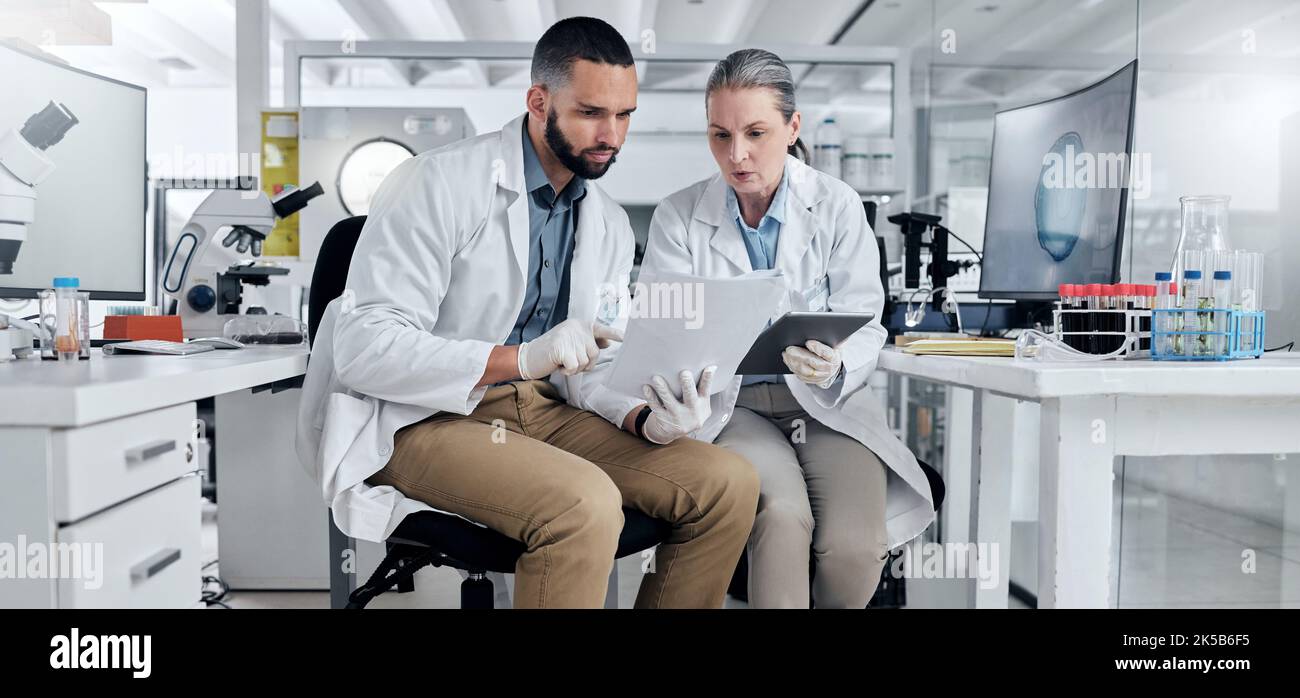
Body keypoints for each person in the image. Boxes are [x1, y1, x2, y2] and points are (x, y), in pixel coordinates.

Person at [297, 18, 758, 609]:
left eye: (624, 116)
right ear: (538, 101)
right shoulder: (437, 183)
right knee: (583, 504)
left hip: (545, 409)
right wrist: (518, 358)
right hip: (426, 416)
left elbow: (593, 362)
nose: (611, 135)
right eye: (592, 112)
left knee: (728, 483)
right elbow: (363, 348)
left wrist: (645, 419)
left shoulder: (608, 222)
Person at [638, 49, 934, 608]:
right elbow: (665, 330)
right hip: (733, 407)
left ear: (793, 126)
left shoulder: (837, 206)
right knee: (781, 516)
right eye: (720, 135)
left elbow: (868, 319)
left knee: (852, 548)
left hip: (825, 403)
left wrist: (837, 363)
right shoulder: (678, 217)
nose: (737, 154)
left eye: (756, 132)